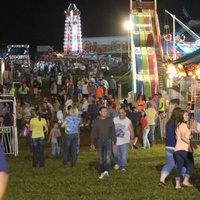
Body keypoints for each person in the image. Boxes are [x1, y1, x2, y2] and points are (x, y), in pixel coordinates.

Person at [90, 106, 116, 179]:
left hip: (108, 140)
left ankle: (106, 171)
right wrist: (92, 142)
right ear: (100, 112)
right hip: (100, 141)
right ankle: (102, 172)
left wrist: (115, 141)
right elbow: (93, 132)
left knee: (107, 157)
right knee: (101, 158)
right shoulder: (96, 121)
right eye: (103, 111)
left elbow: (113, 131)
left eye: (106, 111)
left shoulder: (110, 120)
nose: (105, 113)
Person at [159, 107, 182, 187]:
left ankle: (162, 180)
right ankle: (185, 178)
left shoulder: (169, 123)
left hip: (168, 146)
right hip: (177, 146)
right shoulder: (178, 124)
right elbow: (177, 136)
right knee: (182, 164)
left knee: (170, 164)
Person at [174, 110, 194, 189]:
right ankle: (185, 181)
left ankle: (177, 184)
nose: (187, 117)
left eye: (187, 115)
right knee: (191, 164)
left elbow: (178, 137)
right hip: (184, 149)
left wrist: (188, 136)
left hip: (177, 149)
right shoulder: (183, 125)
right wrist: (190, 142)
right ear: (181, 116)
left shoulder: (177, 125)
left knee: (179, 166)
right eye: (185, 115)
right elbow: (182, 137)